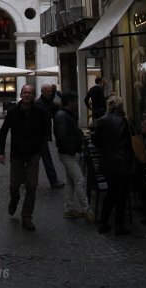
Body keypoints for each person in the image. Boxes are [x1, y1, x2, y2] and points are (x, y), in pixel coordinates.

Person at [0, 84, 48, 231]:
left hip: (33, 153)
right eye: (25, 92)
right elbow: (3, 131)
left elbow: (45, 130)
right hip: (17, 154)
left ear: (33, 96)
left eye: (30, 93)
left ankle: (27, 216)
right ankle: (14, 199)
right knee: (14, 185)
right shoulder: (13, 112)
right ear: (21, 94)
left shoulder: (40, 112)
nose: (27, 95)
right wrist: (1, 152)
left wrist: (39, 149)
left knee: (32, 186)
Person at [94, 95, 134, 235]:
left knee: (111, 192)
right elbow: (131, 142)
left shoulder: (102, 121)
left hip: (108, 163)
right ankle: (119, 224)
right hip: (122, 162)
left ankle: (103, 222)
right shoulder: (125, 120)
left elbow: (96, 142)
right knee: (121, 193)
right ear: (120, 106)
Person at [54, 90, 94, 222]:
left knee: (71, 182)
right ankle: (86, 209)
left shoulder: (65, 115)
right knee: (79, 180)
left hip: (68, 152)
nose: (77, 103)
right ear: (69, 102)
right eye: (75, 100)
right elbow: (62, 136)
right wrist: (73, 150)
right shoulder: (62, 116)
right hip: (68, 153)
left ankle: (69, 208)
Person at [35, 83, 65, 189]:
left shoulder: (47, 102)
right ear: (43, 92)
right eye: (48, 91)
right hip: (40, 136)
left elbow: (56, 108)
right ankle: (53, 181)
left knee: (35, 159)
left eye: (51, 91)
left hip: (42, 135)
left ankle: (25, 178)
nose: (50, 93)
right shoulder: (40, 104)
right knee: (46, 159)